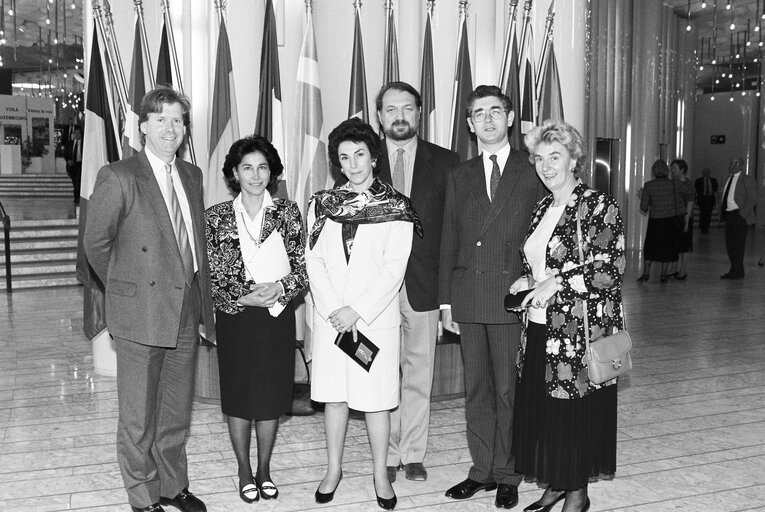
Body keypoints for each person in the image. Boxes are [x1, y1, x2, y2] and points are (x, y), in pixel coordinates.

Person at [84, 86, 215, 512]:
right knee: (138, 417)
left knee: (175, 412)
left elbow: (194, 243)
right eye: (160, 119)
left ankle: (171, 486)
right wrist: (126, 287)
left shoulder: (192, 175)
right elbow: (95, 244)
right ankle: (143, 497)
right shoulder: (119, 175)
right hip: (140, 312)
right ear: (143, 126)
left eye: (177, 120)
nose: (170, 128)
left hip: (185, 309)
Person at [508, 120, 624, 512]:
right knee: (547, 412)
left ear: (574, 159)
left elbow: (609, 268)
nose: (546, 166)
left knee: (573, 413)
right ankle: (557, 481)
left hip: (577, 334)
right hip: (540, 329)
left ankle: (577, 492)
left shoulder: (598, 205)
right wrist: (526, 281)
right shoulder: (543, 206)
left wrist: (557, 282)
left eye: (554, 156)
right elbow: (541, 265)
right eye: (539, 158)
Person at [306, 118, 421, 511]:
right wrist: (335, 309)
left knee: (375, 401)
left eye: (359, 155)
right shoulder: (322, 204)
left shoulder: (396, 206)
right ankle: (333, 469)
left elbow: (395, 267)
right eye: (344, 158)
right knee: (335, 398)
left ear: (374, 156)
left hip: (373, 321)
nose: (353, 164)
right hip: (331, 319)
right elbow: (313, 259)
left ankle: (378, 473)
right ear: (337, 163)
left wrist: (358, 310)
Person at [439, 85, 545, 509]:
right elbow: (449, 239)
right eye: (478, 113)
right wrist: (447, 302)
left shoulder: (531, 168)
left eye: (495, 111)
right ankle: (481, 470)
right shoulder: (459, 175)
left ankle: (508, 472)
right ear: (469, 124)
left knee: (508, 392)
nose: (487, 120)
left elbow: (546, 233)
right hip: (469, 296)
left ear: (511, 117)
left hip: (510, 296)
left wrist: (533, 284)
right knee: (477, 390)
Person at [205, 136, 307, 503]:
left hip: (275, 319)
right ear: (235, 172)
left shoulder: (288, 212)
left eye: (262, 167)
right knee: (238, 395)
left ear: (272, 172)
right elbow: (211, 274)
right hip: (235, 319)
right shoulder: (216, 217)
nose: (255, 174)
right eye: (247, 167)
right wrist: (242, 296)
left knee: (268, 396)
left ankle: (264, 469)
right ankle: (243, 470)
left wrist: (280, 288)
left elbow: (303, 268)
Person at [374, 81, 460, 484]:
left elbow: (452, 233)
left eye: (407, 108)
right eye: (391, 110)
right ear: (379, 117)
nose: (399, 117)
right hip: (375, 289)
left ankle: (412, 453)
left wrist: (448, 296)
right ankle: (386, 452)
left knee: (419, 372)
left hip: (424, 285)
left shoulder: (446, 162)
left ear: (419, 112)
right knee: (381, 370)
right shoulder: (360, 158)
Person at [637, 159, 678, 283]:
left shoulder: (649, 185)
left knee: (650, 246)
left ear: (654, 171)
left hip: (655, 220)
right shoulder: (673, 184)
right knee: (667, 246)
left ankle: (646, 272)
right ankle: (663, 274)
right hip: (670, 220)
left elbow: (644, 208)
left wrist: (642, 197)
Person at [719, 157, 758, 279]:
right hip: (728, 214)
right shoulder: (727, 178)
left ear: (742, 165)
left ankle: (736, 271)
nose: (733, 165)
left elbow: (753, 198)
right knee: (730, 244)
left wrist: (743, 214)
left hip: (739, 215)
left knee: (738, 245)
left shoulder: (746, 179)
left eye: (736, 163)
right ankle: (736, 270)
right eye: (731, 163)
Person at [669, 159, 695, 280]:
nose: (672, 171)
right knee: (673, 244)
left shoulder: (688, 184)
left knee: (684, 246)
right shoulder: (671, 183)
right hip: (673, 216)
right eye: (671, 168)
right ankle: (673, 268)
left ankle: (683, 270)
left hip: (684, 216)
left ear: (682, 169)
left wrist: (686, 220)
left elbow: (690, 203)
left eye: (674, 168)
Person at [694, 167, 718, 234]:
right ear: (703, 173)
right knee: (702, 213)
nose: (706, 173)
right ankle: (702, 227)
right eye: (705, 172)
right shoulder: (698, 180)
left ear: (709, 173)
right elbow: (696, 189)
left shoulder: (713, 180)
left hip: (710, 199)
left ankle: (706, 227)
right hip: (702, 199)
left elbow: (715, 188)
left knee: (708, 214)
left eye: (707, 172)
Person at [65, 126, 83, 205]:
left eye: (78, 133)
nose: (76, 135)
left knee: (78, 181)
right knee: (75, 182)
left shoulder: (85, 143)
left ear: (81, 135)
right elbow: (65, 154)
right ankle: (77, 196)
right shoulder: (69, 143)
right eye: (75, 133)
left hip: (81, 165)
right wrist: (68, 160)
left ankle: (77, 198)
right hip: (72, 166)